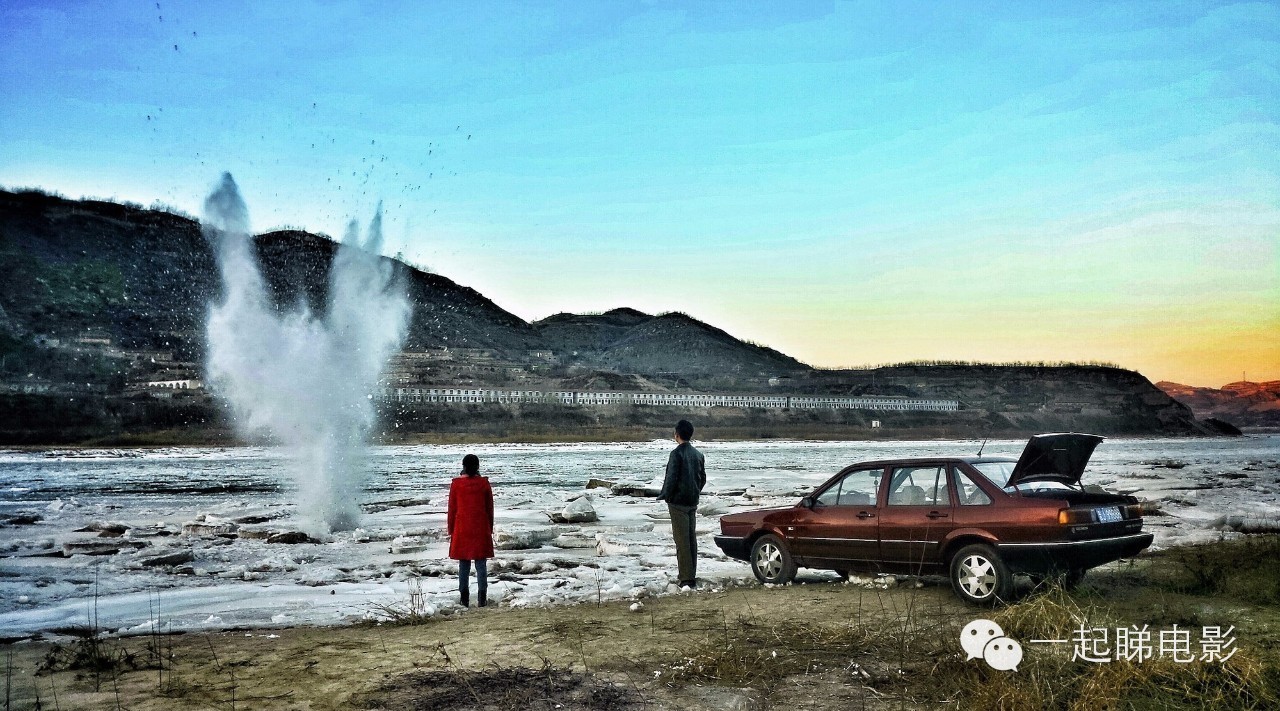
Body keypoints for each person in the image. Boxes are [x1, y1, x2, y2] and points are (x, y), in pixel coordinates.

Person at [657, 419, 706, 588]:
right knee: (691, 539)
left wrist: (666, 496)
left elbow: (671, 479)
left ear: (676, 434)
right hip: (692, 501)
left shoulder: (676, 454)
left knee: (682, 541)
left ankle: (686, 578)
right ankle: (690, 573)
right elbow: (702, 479)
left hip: (678, 502)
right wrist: (695, 492)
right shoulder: (698, 455)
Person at [447, 453, 494, 607]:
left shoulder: (456, 484)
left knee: (464, 564)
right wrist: (490, 528)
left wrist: (451, 530)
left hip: (461, 528)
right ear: (478, 466)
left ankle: (464, 599)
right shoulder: (484, 484)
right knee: (481, 564)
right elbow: (489, 509)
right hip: (480, 527)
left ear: (464, 466)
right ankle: (482, 598)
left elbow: (452, 509)